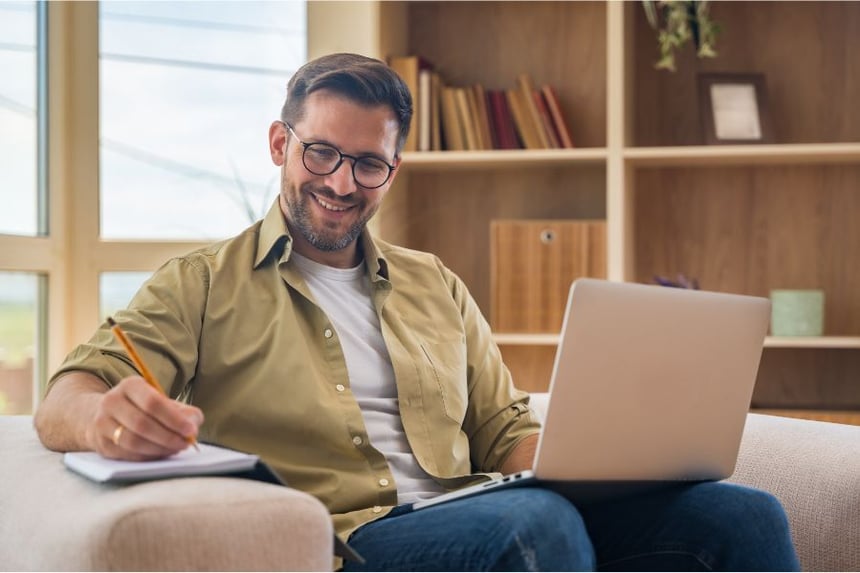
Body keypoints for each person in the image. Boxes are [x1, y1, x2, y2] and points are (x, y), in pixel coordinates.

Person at [35, 52, 799, 571]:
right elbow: (64, 395)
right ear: (280, 143)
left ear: (393, 168)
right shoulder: (201, 284)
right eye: (321, 154)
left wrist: (613, 460)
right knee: (535, 528)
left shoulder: (437, 286)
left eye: (369, 163)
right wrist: (105, 418)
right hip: (353, 540)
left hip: (484, 511)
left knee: (744, 518)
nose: (341, 183)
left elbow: (503, 435)